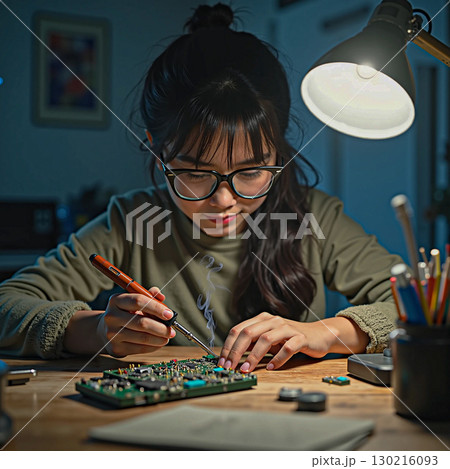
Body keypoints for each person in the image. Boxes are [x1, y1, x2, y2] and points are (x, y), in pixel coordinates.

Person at [0, 3, 403, 373]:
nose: (223, 201)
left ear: (279, 151)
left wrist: (324, 333)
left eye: (251, 172)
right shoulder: (134, 221)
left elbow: (420, 304)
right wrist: (97, 330)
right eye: (195, 173)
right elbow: (7, 305)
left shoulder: (315, 218)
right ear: (157, 152)